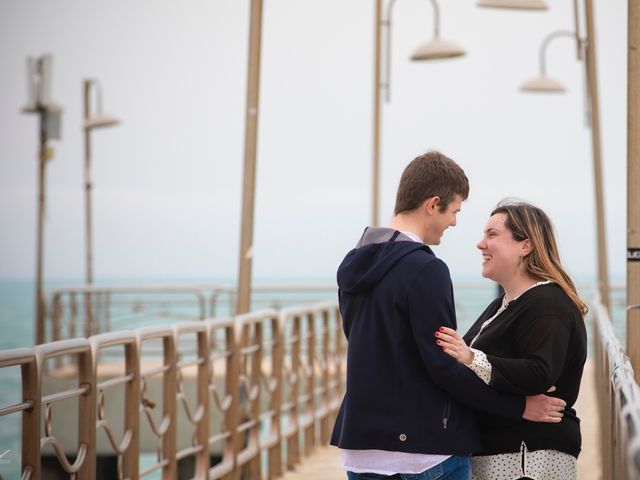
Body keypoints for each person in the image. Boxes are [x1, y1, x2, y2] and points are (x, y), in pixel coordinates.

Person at [330, 152, 566, 480]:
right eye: (454, 211)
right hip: (424, 451)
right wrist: (519, 407)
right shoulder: (426, 269)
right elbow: (443, 367)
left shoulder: (353, 264)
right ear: (433, 204)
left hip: (360, 449)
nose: (454, 222)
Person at [435, 200, 588, 480]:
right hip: (502, 451)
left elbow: (539, 373)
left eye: (492, 235)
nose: (480, 244)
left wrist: (470, 357)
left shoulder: (548, 302)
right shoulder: (503, 305)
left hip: (527, 457)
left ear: (525, 246)